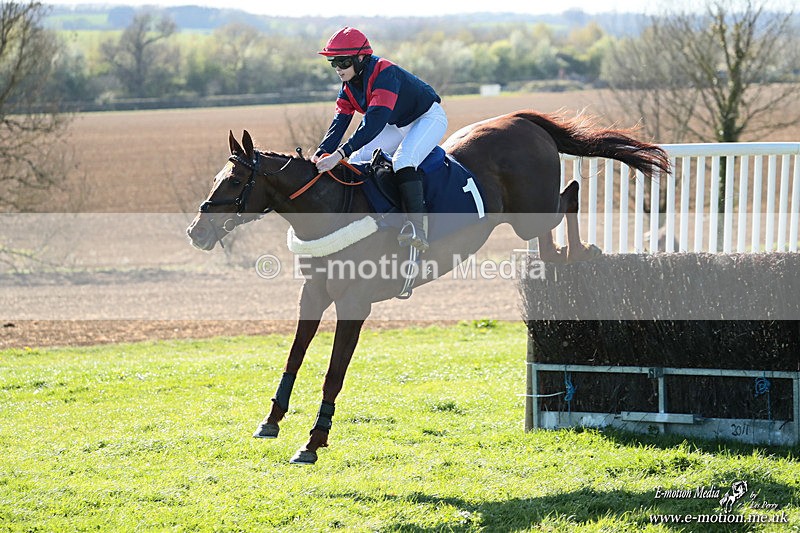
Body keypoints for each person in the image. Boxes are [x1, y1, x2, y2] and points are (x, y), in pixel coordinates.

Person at [312, 27, 447, 252]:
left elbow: (373, 123)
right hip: (397, 124)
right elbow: (340, 122)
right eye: (333, 62)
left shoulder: (385, 73)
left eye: (343, 62)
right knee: (356, 159)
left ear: (361, 58)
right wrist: (321, 152)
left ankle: (417, 228)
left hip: (427, 118)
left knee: (403, 161)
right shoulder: (348, 87)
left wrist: (339, 154)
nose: (338, 68)